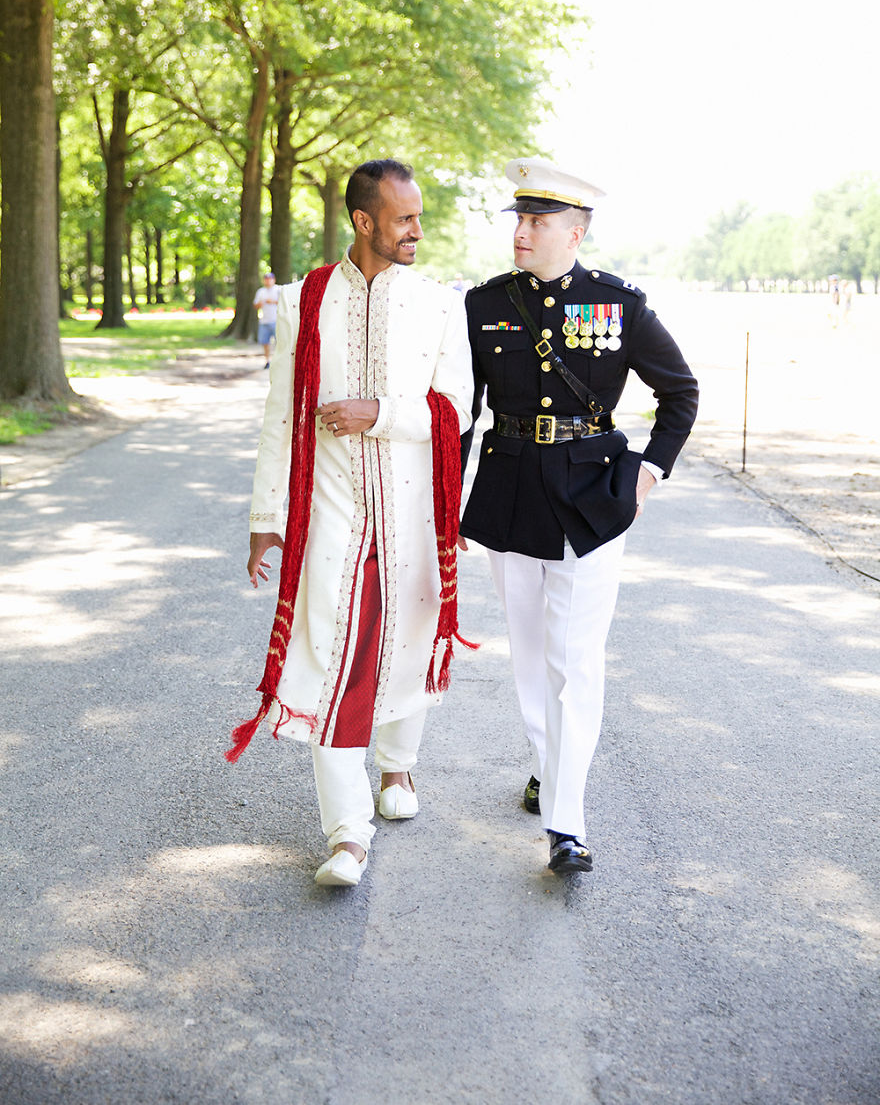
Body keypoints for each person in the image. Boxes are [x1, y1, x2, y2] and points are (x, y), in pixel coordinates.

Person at [227, 159, 473, 888]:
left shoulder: (436, 302)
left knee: (405, 641)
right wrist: (266, 517)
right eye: (404, 219)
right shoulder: (308, 298)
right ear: (364, 221)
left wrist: (381, 415)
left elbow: (455, 409)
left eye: (419, 217)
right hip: (331, 513)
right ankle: (346, 836)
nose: (417, 231)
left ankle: (397, 765)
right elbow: (284, 412)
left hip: (411, 511)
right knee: (332, 653)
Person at [459, 156, 698, 875]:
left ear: (577, 229)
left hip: (593, 500)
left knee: (577, 662)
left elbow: (680, 393)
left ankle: (567, 822)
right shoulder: (484, 304)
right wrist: (446, 498)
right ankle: (548, 764)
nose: (522, 232)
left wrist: (649, 473)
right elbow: (464, 413)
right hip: (508, 494)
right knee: (532, 659)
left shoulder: (619, 303)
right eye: (519, 219)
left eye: (538, 221)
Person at [253, 271, 280, 367]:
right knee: (265, 342)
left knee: (279, 342)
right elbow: (255, 305)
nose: (268, 281)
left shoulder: (278, 289)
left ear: (274, 280)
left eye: (270, 279)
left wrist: (272, 301)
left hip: (276, 320)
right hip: (264, 321)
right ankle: (267, 360)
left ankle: (277, 361)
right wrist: (259, 304)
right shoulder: (261, 291)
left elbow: (285, 303)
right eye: (266, 279)